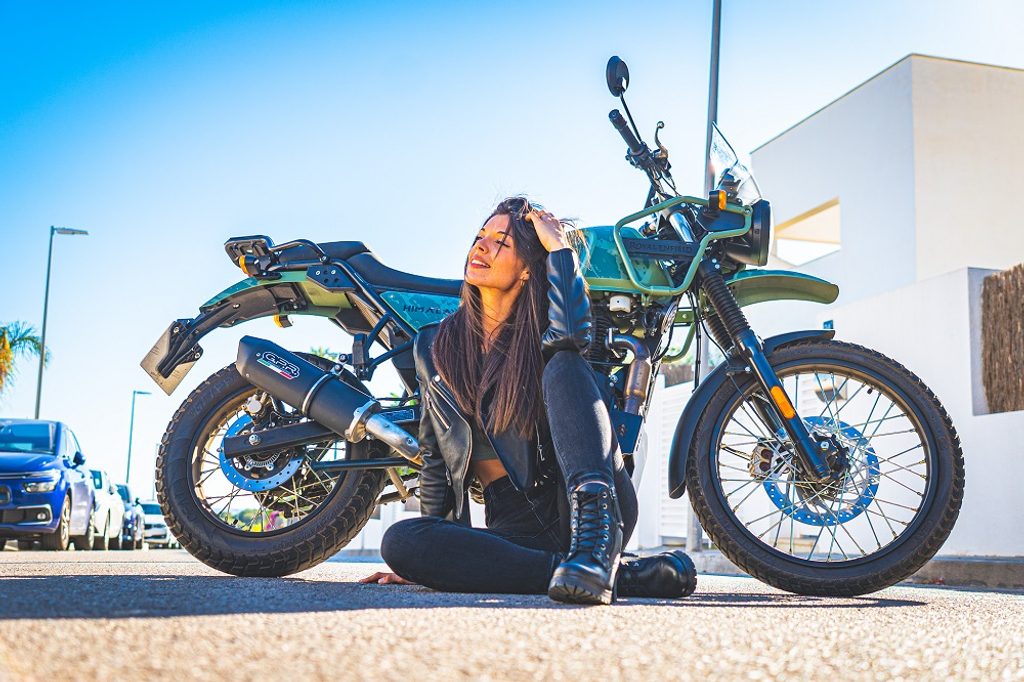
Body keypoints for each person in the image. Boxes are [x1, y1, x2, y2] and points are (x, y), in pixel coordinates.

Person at [360, 197, 696, 604]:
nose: (481, 246)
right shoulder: (434, 345)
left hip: (582, 505)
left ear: (525, 270)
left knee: (565, 363)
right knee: (400, 541)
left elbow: (572, 338)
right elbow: (435, 456)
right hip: (513, 530)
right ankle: (607, 574)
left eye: (500, 242)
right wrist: (430, 556)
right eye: (480, 236)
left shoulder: (547, 331)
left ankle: (595, 550)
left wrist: (559, 250)